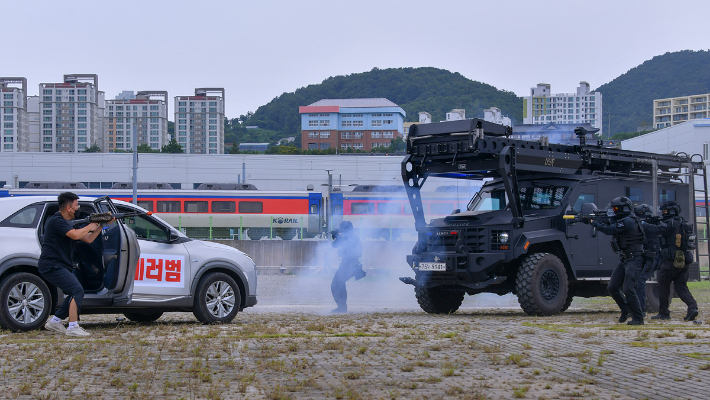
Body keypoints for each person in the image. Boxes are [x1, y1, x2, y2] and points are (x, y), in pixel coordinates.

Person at [39, 192, 108, 337]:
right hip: (52, 265)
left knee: (74, 290)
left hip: (60, 265)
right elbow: (77, 235)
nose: (79, 208)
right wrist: (90, 225)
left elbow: (88, 239)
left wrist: (101, 226)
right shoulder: (57, 220)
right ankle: (73, 327)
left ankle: (56, 320)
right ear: (69, 208)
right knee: (77, 290)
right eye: (77, 205)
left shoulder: (65, 223)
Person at [583, 197, 645, 325]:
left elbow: (610, 230)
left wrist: (593, 222)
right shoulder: (621, 220)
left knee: (628, 289)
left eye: (616, 209)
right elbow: (611, 225)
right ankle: (626, 309)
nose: (614, 211)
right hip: (625, 259)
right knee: (612, 287)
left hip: (635, 259)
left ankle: (638, 317)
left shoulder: (629, 220)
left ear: (625, 208)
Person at [651, 201, 699, 322]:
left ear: (671, 211)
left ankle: (664, 313)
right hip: (684, 261)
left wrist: (642, 223)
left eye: (665, 211)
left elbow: (657, 229)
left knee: (663, 287)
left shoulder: (670, 223)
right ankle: (692, 307)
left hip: (671, 262)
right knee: (681, 287)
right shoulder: (683, 223)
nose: (663, 213)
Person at [633, 204, 664, 317]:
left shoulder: (652, 225)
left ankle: (641, 309)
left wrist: (643, 224)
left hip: (653, 257)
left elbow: (656, 230)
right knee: (637, 280)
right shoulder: (645, 224)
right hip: (646, 256)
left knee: (640, 280)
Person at [330, 221, 365, 313]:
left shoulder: (352, 237)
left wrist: (340, 237)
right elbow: (334, 245)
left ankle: (342, 307)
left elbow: (354, 250)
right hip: (346, 265)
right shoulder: (347, 237)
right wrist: (336, 237)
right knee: (338, 284)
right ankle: (342, 307)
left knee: (336, 284)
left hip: (350, 265)